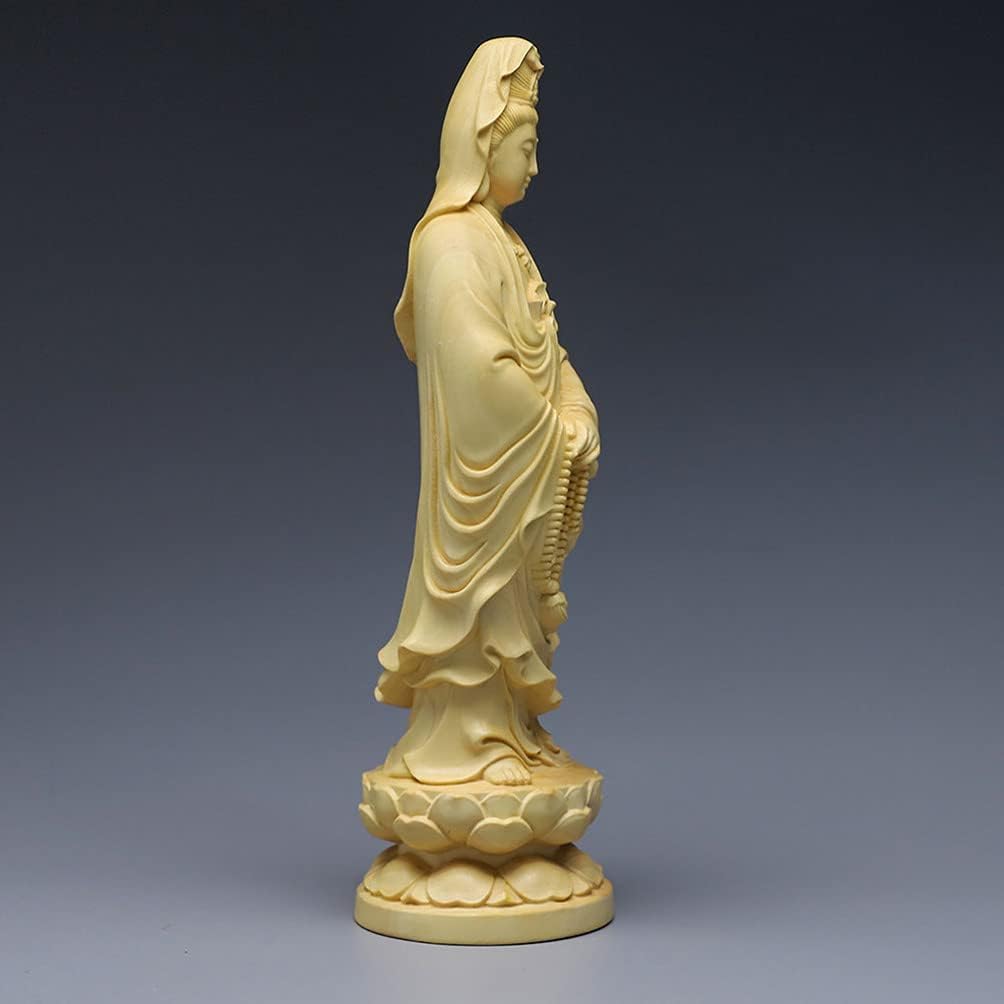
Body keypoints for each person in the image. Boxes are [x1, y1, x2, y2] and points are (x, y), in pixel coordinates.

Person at [376, 38, 600, 786]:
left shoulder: (506, 244)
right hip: (483, 474)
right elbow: (481, 366)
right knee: (478, 605)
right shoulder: (449, 243)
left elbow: (546, 348)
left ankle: (512, 728)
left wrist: (574, 407)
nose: (535, 168)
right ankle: (464, 741)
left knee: (516, 603)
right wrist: (549, 427)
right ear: (484, 144)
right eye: (526, 149)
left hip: (520, 461)